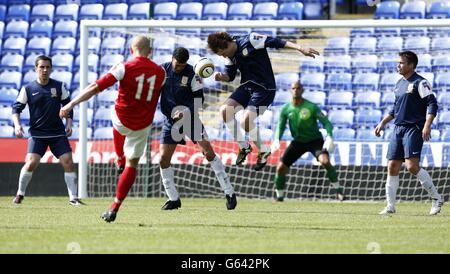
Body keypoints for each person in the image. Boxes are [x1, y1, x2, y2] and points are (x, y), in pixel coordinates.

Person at [60, 35, 166, 222]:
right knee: (133, 164)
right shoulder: (161, 72)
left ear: (131, 50)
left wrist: (71, 104)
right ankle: (115, 206)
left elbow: (95, 87)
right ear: (151, 51)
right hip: (142, 125)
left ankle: (119, 157)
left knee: (112, 111)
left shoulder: (124, 66)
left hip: (121, 119)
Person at [207, 32, 319, 171]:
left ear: (226, 45)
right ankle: (244, 146)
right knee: (224, 110)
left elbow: (276, 41)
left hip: (264, 88)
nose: (222, 56)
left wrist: (300, 48)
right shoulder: (228, 56)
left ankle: (264, 150)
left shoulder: (251, 39)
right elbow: (230, 76)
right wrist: (221, 77)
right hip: (247, 86)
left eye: (222, 53)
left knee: (245, 121)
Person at [159, 47, 237, 210]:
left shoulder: (192, 74)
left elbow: (199, 100)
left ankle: (229, 192)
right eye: (177, 64)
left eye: (182, 65)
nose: (179, 68)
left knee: (208, 153)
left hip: (190, 119)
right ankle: (173, 198)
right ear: (172, 58)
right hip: (170, 120)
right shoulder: (162, 71)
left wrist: (185, 112)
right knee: (163, 159)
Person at [374, 51, 443, 215]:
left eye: (401, 63)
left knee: (412, 167)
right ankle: (390, 206)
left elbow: (432, 104)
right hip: (398, 128)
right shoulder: (399, 83)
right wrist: (382, 123)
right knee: (392, 166)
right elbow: (395, 108)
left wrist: (427, 125)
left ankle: (436, 198)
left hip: (413, 128)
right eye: (398, 62)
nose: (398, 65)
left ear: (411, 65)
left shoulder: (421, 82)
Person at [11, 55, 83, 206]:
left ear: (51, 69)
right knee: (31, 162)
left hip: (57, 133)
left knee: (68, 162)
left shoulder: (59, 86)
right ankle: (19, 194)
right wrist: (17, 125)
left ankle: (73, 198)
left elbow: (68, 105)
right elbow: (16, 109)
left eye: (47, 67)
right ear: (35, 68)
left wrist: (69, 123)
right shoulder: (28, 89)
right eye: (41, 67)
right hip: (37, 134)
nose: (44, 70)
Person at [270, 81, 344, 202]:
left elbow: (327, 123)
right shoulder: (285, 109)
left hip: (314, 140)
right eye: (293, 88)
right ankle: (279, 196)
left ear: (302, 90)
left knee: (325, 161)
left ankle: (339, 191)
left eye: (298, 88)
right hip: (297, 142)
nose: (295, 90)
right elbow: (281, 126)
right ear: (290, 91)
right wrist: (277, 138)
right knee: (280, 168)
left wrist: (329, 136)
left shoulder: (311, 107)